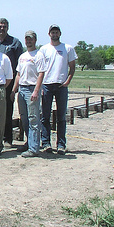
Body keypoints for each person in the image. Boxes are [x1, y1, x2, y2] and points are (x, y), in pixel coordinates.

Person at [39, 24, 77, 155]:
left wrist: (68, 81)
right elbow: (40, 68)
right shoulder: (44, 49)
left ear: (60, 34)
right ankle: (46, 143)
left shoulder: (67, 48)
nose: (54, 34)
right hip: (47, 85)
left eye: (56, 32)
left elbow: (72, 67)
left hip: (61, 86)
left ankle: (61, 144)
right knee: (45, 116)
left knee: (61, 117)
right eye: (52, 32)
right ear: (49, 34)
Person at [11, 30, 46, 157]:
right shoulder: (22, 56)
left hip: (32, 89)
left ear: (35, 40)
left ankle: (34, 148)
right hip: (22, 89)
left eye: (30, 39)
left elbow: (41, 73)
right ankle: (29, 142)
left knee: (33, 119)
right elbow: (18, 75)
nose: (28, 41)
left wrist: (37, 90)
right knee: (24, 118)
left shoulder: (39, 55)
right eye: (26, 39)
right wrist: (14, 90)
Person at [0, 18, 23, 146]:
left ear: (8, 28)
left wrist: (15, 87)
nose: (2, 28)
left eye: (4, 26)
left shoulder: (15, 43)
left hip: (9, 83)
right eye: (0, 26)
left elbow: (20, 65)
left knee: (7, 111)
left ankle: (7, 139)